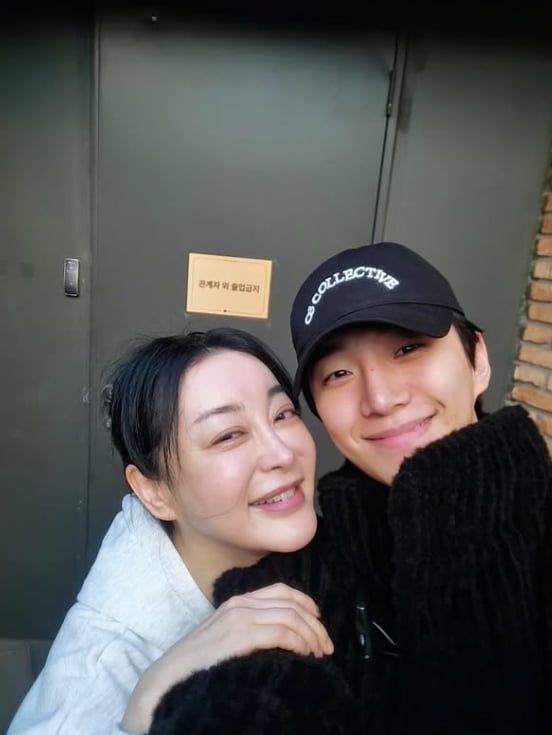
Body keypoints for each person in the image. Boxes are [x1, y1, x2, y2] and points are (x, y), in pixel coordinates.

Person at [149, 243, 552, 735]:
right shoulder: (298, 574)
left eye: (408, 349)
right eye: (338, 374)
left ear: (478, 360)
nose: (380, 398)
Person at [7, 328, 337, 735]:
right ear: (154, 492)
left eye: (283, 414)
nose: (282, 454)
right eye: (228, 435)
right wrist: (150, 704)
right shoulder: (97, 677)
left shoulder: (334, 562)